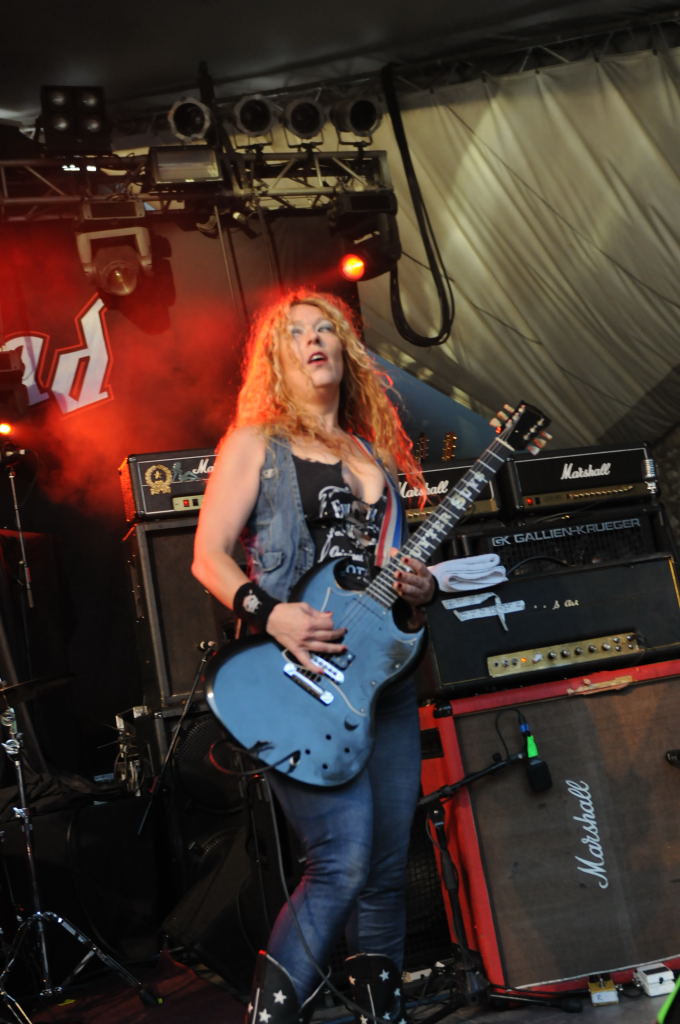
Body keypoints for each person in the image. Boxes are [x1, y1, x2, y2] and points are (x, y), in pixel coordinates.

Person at [192, 290, 437, 1024]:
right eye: (295, 333)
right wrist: (271, 614)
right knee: (342, 862)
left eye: (325, 327)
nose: (313, 340)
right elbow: (207, 557)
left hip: (381, 680)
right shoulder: (255, 444)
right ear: (277, 358)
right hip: (297, 680)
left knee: (386, 869)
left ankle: (382, 1014)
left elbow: (389, 580)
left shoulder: (372, 454)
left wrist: (418, 589)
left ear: (346, 349)